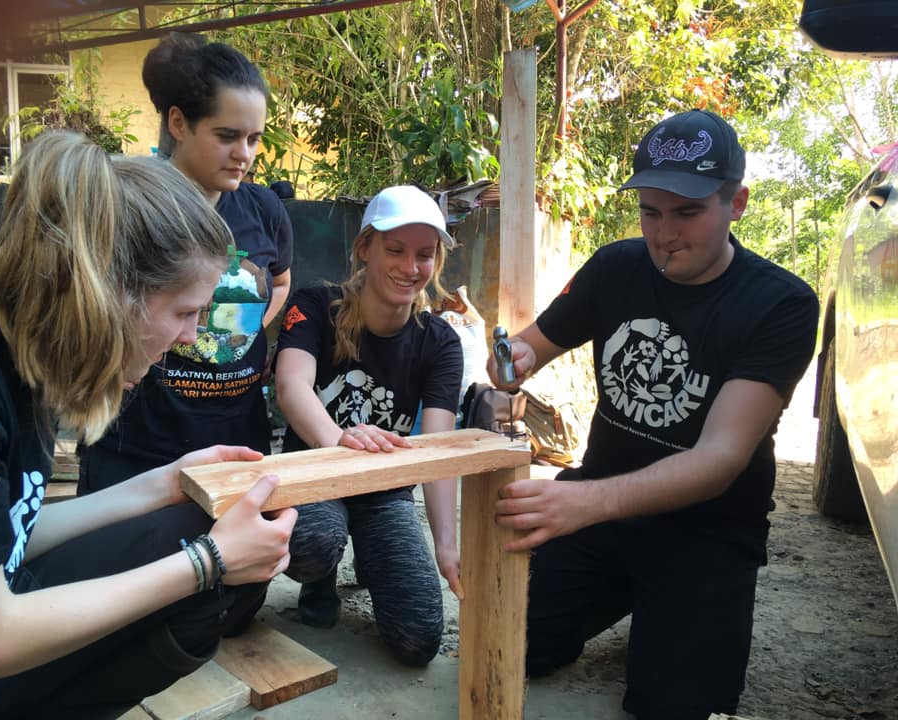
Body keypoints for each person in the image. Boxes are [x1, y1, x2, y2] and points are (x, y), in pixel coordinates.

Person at [0, 130, 297, 720]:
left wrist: (165, 482)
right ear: (108, 295)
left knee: (189, 520)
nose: (190, 337)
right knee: (201, 566)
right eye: (184, 312)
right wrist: (206, 561)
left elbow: (8, 536)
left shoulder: (19, 359)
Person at [488, 110, 819, 719]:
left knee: (671, 706)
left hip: (707, 533)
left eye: (687, 212)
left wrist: (580, 503)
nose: (664, 233)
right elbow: (533, 344)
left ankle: (670, 614)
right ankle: (632, 599)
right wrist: (511, 360)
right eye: (650, 212)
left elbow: (719, 461)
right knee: (507, 642)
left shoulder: (781, 304)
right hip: (604, 514)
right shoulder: (617, 266)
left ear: (737, 203)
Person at [79, 32, 293, 492]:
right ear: (178, 122)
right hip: (137, 445)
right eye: (227, 136)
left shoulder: (263, 210)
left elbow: (279, 281)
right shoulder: (128, 203)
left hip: (235, 439)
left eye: (254, 138)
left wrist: (235, 334)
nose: (245, 154)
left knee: (239, 559)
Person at [274, 185, 465, 666]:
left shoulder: (440, 342)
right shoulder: (315, 304)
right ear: (365, 248)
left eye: (425, 254)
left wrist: (446, 547)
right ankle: (321, 579)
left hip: (385, 489)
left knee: (420, 639)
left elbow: (438, 450)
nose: (411, 267)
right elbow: (291, 386)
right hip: (316, 472)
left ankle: (372, 554)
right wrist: (338, 438)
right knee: (314, 542)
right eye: (395, 250)